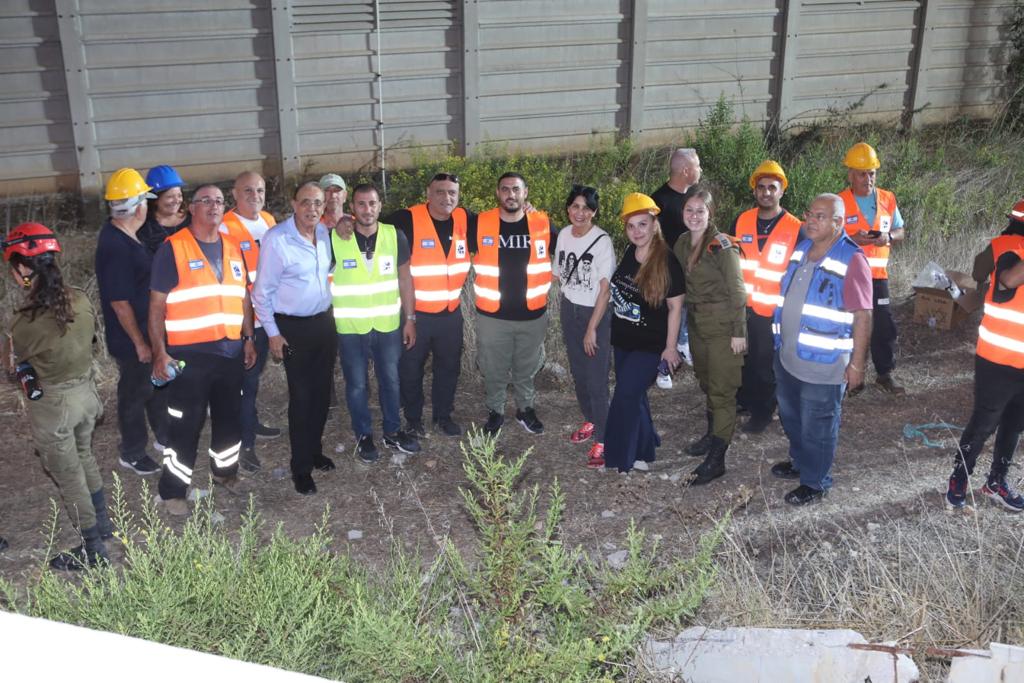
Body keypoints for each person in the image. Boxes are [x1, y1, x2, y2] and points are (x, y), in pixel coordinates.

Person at [5, 223, 111, 570]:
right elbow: (93, 344)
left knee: (68, 475)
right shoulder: (79, 298)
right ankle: (104, 525)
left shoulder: (26, 322)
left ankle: (93, 550)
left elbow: (13, 368)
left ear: (22, 269)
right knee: (85, 456)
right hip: (85, 395)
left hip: (55, 408)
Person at [149, 184, 257, 515]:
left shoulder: (232, 247)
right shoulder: (173, 248)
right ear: (191, 209)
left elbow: (243, 297)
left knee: (229, 420)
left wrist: (248, 337)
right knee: (185, 425)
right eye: (205, 200)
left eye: (219, 201)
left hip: (230, 354)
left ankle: (225, 473)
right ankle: (173, 491)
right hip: (188, 358)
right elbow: (155, 306)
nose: (213, 206)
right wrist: (159, 352)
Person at [771, 194, 872, 505]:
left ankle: (815, 482)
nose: (811, 221)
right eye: (809, 214)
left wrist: (857, 365)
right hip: (789, 357)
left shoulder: (851, 259)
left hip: (824, 364)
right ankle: (801, 462)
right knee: (792, 418)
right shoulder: (801, 249)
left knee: (818, 425)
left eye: (821, 216)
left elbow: (863, 315)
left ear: (838, 223)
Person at [252, 181, 337, 495]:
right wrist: (274, 334)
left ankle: (314, 450)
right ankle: (300, 467)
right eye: (305, 202)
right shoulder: (277, 240)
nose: (312, 209)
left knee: (321, 394)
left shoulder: (325, 233)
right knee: (301, 398)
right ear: (293, 203)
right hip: (293, 329)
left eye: (317, 203)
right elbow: (261, 294)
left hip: (324, 324)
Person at [332, 183, 421, 462]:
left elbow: (405, 279)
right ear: (352, 208)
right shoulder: (337, 237)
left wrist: (410, 319)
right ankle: (364, 436)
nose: (367, 209)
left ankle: (392, 433)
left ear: (380, 206)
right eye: (361, 204)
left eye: (372, 203)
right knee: (357, 385)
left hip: (387, 326)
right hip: (350, 329)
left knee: (391, 381)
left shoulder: (395, 236)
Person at [945, 199, 1024, 512]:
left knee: (1014, 426)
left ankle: (996, 481)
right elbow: (1007, 281)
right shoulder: (1007, 246)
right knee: (984, 423)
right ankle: (959, 477)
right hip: (998, 358)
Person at [384, 172, 474, 438]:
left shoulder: (465, 219)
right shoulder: (406, 219)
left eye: (452, 193)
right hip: (416, 315)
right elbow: (369, 224)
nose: (446, 198)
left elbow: (502, 220)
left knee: (448, 368)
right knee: (410, 370)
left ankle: (443, 416)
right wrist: (344, 221)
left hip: (450, 315)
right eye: (440, 192)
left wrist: (527, 209)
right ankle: (413, 419)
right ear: (428, 193)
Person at [472, 172, 558, 435]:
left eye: (516, 189)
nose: (511, 194)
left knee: (526, 368)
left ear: (525, 193)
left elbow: (569, 247)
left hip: (532, 315)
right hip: (492, 315)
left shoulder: (542, 223)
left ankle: (525, 409)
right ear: (498, 193)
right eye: (505, 189)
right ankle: (495, 411)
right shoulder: (479, 222)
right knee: (493, 368)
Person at [604, 194, 684, 473]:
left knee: (624, 395)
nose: (637, 231)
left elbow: (675, 308)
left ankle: (617, 460)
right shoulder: (630, 252)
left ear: (654, 224)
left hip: (651, 345)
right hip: (623, 340)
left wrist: (670, 348)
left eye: (643, 224)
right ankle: (645, 450)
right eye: (631, 226)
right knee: (636, 396)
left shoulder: (667, 261)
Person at [673, 187, 747, 485]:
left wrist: (739, 333)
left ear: (710, 213)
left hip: (723, 327)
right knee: (706, 382)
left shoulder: (722, 246)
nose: (694, 216)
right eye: (689, 210)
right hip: (697, 324)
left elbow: (739, 292)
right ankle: (711, 434)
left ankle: (717, 458)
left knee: (723, 390)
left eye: (700, 211)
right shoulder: (681, 243)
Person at [95, 167, 164, 476]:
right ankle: (132, 451)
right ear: (138, 207)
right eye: (146, 202)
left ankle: (162, 435)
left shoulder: (125, 236)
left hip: (143, 330)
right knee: (134, 393)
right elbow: (120, 302)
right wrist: (139, 342)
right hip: (131, 336)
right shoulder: (115, 246)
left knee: (150, 386)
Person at [730, 161, 803, 434]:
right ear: (754, 191)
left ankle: (763, 411)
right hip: (743, 306)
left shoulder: (797, 228)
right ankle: (745, 401)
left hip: (773, 310)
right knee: (743, 360)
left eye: (772, 187)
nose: (766, 193)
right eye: (761, 188)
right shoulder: (741, 221)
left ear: (782, 191)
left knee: (764, 364)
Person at [221, 171, 280, 472]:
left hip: (267, 318)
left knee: (252, 383)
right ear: (234, 194)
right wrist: (246, 333)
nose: (255, 196)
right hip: (246, 323)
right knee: (244, 385)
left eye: (259, 190)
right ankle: (244, 445)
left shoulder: (268, 221)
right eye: (248, 191)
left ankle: (252, 424)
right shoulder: (225, 228)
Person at [839, 142, 906, 395]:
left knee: (883, 326)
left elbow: (901, 231)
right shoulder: (840, 201)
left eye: (872, 173)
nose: (868, 179)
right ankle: (850, 376)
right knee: (850, 325)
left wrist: (888, 237)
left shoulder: (888, 198)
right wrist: (852, 239)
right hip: (850, 277)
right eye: (862, 173)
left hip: (878, 277)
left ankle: (884, 374)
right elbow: (830, 238)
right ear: (851, 175)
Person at [556, 185, 615, 468]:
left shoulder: (602, 241)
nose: (580, 213)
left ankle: (604, 439)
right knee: (579, 374)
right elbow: (559, 274)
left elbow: (604, 289)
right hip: (570, 311)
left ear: (594, 212)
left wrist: (592, 327)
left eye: (587, 208)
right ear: (568, 208)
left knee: (596, 379)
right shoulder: (564, 235)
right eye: (575, 206)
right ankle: (591, 420)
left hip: (595, 314)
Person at [652, 148, 702, 366]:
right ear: (685, 170)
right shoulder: (658, 202)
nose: (700, 170)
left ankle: (683, 344)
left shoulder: (692, 200)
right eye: (697, 166)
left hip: (690, 273)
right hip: (668, 276)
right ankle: (673, 351)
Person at [138, 164, 189, 253]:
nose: (177, 200)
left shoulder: (192, 219)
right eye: (170, 197)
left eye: (179, 195)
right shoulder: (146, 228)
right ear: (155, 199)